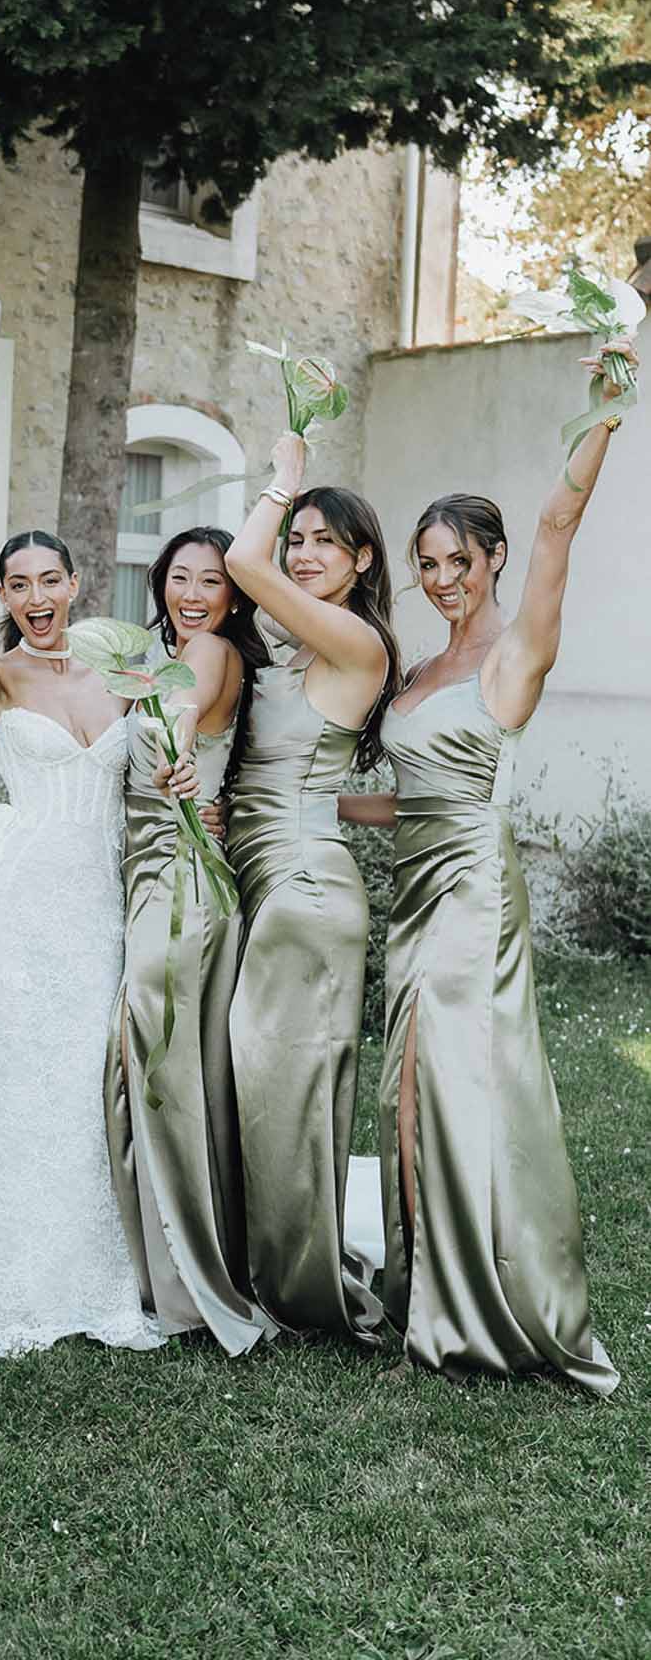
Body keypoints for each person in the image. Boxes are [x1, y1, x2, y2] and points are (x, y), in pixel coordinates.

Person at [338, 339, 632, 1394]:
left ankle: (486, 1301)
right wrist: (309, 805)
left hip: (469, 891)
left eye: (459, 559)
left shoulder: (513, 654)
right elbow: (405, 798)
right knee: (408, 1085)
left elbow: (560, 522)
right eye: (427, 562)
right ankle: (426, 1283)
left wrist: (604, 406)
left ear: (493, 559)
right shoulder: (420, 669)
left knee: (463, 1082)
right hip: (414, 889)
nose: (441, 577)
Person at [0, 447, 163, 1359]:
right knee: (14, 1082)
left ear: (78, 581)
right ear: (7, 598)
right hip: (15, 902)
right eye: (17, 584)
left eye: (49, 578)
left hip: (97, 902)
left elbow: (159, 772)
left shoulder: (125, 672)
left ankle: (90, 1274)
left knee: (81, 1088)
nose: (36, 595)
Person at [223, 455, 401, 1342]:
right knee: (266, 1081)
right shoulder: (293, 639)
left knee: (281, 1082)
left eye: (325, 543)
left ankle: (293, 1281)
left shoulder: (355, 642)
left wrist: (285, 465)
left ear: (363, 560)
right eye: (297, 539)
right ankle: (269, 1254)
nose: (300, 554)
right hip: (265, 867)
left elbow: (240, 564)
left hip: (303, 887)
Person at [104, 528, 276, 1354]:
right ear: (159, 582)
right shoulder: (146, 655)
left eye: (213, 579)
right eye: (180, 576)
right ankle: (149, 1248)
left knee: (161, 1054)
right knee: (167, 1066)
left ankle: (180, 1273)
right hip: (145, 871)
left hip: (181, 878)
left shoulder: (206, 652)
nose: (196, 592)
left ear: (235, 595)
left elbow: (180, 716)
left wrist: (177, 762)